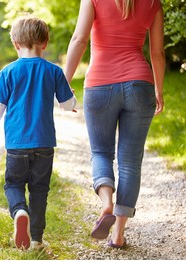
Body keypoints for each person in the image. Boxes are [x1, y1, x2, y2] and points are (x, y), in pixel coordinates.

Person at [64, 0, 165, 248]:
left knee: (101, 152)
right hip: (140, 85)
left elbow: (79, 39)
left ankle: (106, 202)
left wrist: (64, 82)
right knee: (130, 161)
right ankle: (118, 234)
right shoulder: (153, 3)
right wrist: (159, 90)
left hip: (100, 85)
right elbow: (157, 53)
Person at [0, 15, 77, 250]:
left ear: (15, 43)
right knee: (40, 189)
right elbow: (67, 104)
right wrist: (72, 101)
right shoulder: (54, 71)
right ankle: (37, 239)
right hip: (44, 144)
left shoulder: (8, 72)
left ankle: (20, 210)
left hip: (17, 145)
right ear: (45, 42)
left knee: (13, 184)